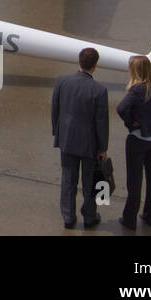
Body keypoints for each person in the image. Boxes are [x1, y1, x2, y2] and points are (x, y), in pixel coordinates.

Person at [51, 47, 110, 229]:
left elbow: (55, 109)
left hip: (67, 139)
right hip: (89, 144)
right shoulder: (99, 90)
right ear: (95, 66)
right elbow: (101, 122)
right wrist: (103, 147)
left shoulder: (62, 81)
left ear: (79, 62)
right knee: (89, 182)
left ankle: (68, 217)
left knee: (68, 179)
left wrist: (57, 132)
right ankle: (90, 217)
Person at [116, 55, 151, 230]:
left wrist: (131, 123)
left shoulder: (135, 90)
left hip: (138, 140)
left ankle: (129, 219)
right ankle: (150, 216)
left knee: (135, 180)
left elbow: (121, 108)